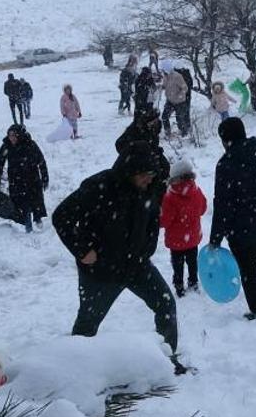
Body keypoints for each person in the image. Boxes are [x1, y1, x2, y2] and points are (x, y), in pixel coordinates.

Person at [52, 142, 187, 375]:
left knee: (166, 304)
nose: (149, 179)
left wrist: (147, 248)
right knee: (87, 325)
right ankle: (74, 373)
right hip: (101, 272)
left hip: (137, 265)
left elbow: (153, 218)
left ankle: (166, 362)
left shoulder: (150, 187)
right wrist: (82, 251)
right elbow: (61, 216)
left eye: (152, 175)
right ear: (130, 171)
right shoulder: (99, 187)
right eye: (145, 175)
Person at [209, 118, 256, 320]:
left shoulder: (226, 164)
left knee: (247, 268)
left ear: (226, 140)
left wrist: (215, 238)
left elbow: (222, 204)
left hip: (241, 228)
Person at [160, 159, 207, 298]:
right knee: (192, 262)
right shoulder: (196, 190)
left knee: (178, 265)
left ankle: (179, 287)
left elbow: (164, 221)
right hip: (192, 238)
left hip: (176, 241)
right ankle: (193, 282)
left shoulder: (169, 197)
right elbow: (203, 209)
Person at [0, 124, 48, 233]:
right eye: (9, 135)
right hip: (16, 181)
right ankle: (28, 226)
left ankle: (37, 218)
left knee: (35, 201)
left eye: (14, 135)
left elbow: (41, 161)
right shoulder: (6, 147)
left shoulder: (30, 145)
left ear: (19, 135)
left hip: (32, 179)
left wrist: (45, 178)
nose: (11, 138)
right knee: (22, 205)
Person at [162, 66, 191, 138]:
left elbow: (185, 88)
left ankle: (184, 133)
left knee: (179, 118)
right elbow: (165, 85)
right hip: (170, 101)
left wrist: (180, 95)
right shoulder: (166, 76)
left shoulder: (177, 76)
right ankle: (168, 133)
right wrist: (162, 87)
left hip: (179, 102)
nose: (163, 72)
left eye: (164, 71)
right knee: (164, 116)